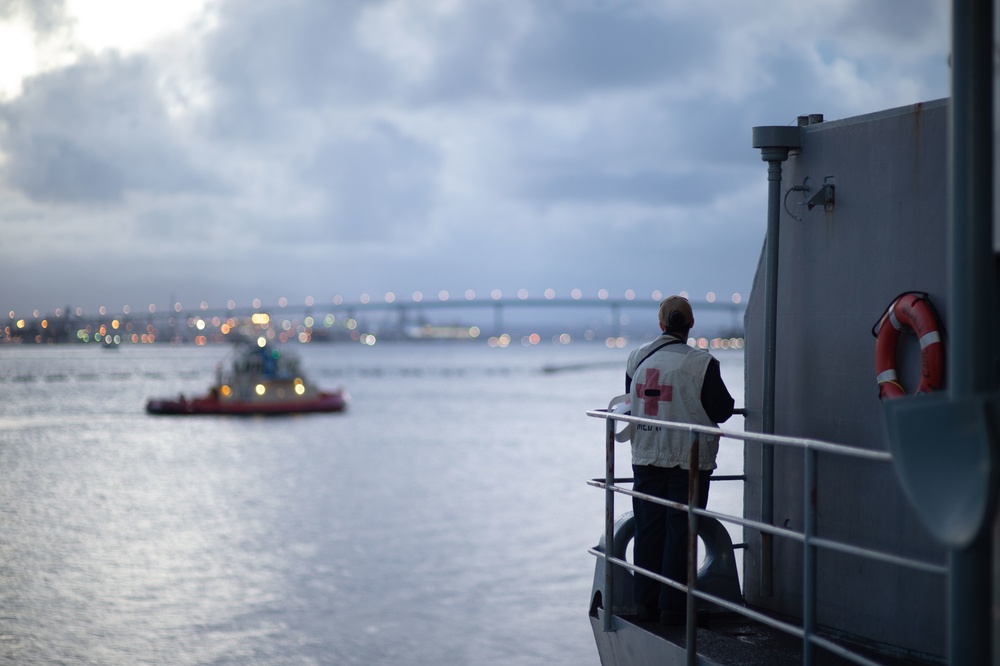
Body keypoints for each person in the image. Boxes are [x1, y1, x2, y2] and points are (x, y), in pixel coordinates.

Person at [625, 295, 735, 624]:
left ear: (660, 325)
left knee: (649, 529)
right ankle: (673, 608)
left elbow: (633, 401)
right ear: (690, 325)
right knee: (681, 531)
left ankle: (646, 604)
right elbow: (723, 410)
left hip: (646, 454)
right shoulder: (702, 363)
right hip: (689, 460)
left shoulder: (636, 359)